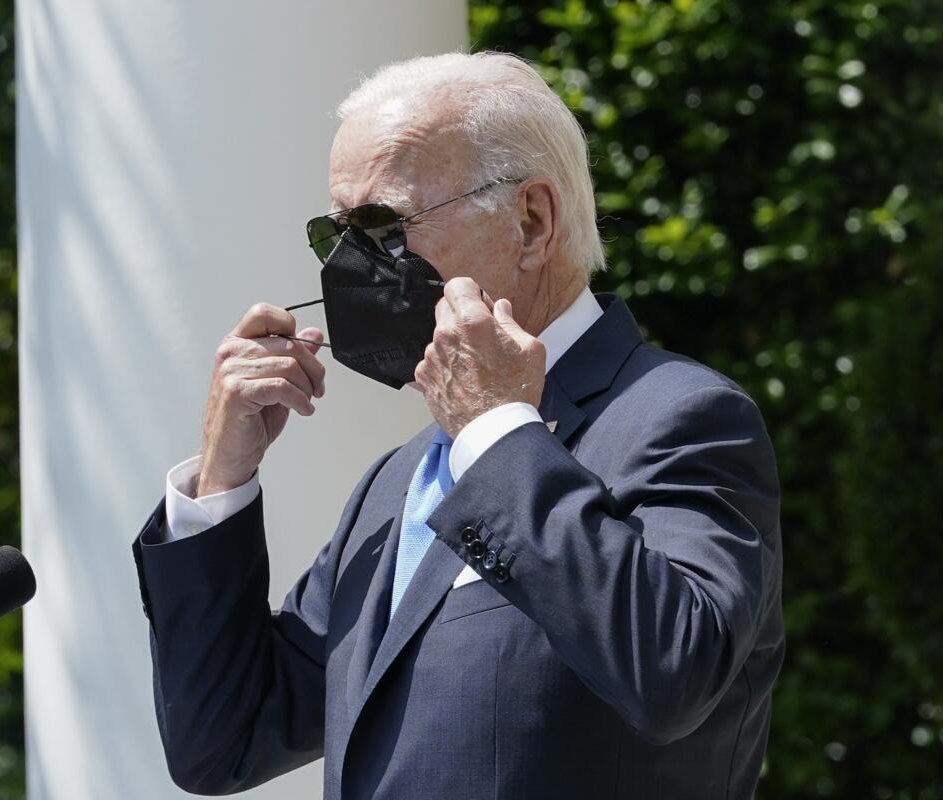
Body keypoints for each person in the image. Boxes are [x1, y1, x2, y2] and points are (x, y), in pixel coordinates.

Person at [131, 51, 783, 800]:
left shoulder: (681, 416)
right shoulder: (397, 480)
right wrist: (222, 481)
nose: (351, 264)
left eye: (380, 225)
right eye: (334, 233)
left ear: (531, 222)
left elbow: (674, 668)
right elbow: (223, 741)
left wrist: (499, 431)